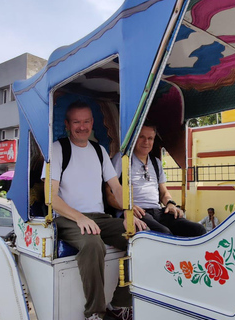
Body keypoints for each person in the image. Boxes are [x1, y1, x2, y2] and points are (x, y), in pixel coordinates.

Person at [45, 101, 147, 320]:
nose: (82, 127)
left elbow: (116, 187)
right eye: (76, 122)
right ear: (67, 124)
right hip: (67, 218)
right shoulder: (58, 148)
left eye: (86, 121)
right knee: (93, 243)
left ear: (92, 122)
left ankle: (120, 303)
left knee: (141, 237)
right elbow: (51, 198)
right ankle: (95, 313)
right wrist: (79, 217)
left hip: (99, 218)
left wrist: (128, 211)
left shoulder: (99, 151)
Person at [111, 122, 206, 237]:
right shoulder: (122, 160)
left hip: (158, 211)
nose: (146, 142)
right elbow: (109, 193)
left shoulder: (156, 163)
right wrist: (127, 207)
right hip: (136, 213)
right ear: (135, 137)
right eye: (142, 137)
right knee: (164, 234)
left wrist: (170, 204)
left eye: (150, 138)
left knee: (198, 230)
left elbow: (163, 192)